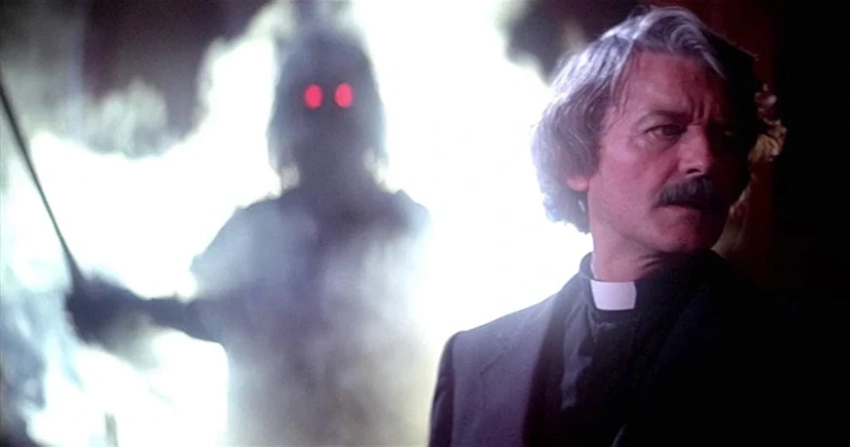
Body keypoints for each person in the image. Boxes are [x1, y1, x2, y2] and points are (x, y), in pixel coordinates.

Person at [429, 7, 802, 446]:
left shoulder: (802, 352)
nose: (704, 160)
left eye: (726, 140)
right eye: (665, 130)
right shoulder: (472, 363)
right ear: (575, 161)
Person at [68, 26, 432, 445]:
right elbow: (216, 309)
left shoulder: (405, 228)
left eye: (343, 98)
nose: (327, 123)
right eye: (312, 99)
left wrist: (136, 311)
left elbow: (259, 318)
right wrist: (123, 314)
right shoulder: (255, 229)